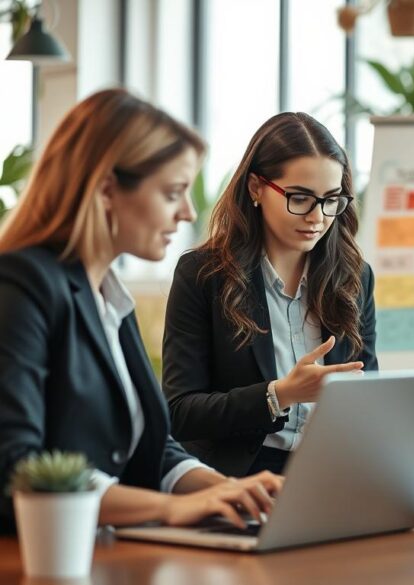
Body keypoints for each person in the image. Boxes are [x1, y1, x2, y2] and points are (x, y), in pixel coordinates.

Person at [0, 89, 281, 532]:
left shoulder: (108, 296)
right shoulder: (22, 285)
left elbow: (153, 448)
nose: (188, 213)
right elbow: (18, 467)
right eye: (173, 193)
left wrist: (219, 487)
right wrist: (169, 509)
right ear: (108, 188)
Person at [162, 112, 377, 477]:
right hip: (236, 478)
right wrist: (278, 395)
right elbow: (180, 412)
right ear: (256, 188)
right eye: (300, 198)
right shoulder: (204, 274)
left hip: (331, 473)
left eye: (331, 200)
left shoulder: (353, 278)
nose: (317, 217)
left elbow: (369, 393)